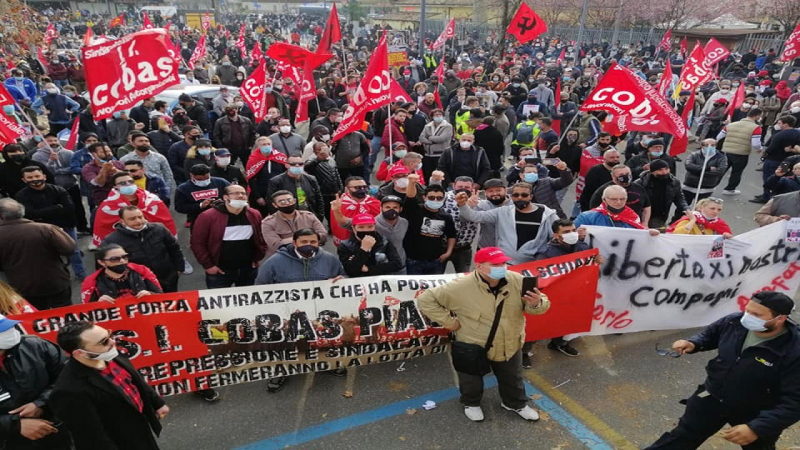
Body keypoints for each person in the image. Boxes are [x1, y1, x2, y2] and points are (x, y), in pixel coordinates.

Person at [645, 292, 800, 450]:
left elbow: (795, 402)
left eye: (756, 314)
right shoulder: (734, 322)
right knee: (682, 437)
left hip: (755, 413)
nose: (747, 316)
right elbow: (710, 334)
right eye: (747, 310)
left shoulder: (794, 351)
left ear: (780, 318)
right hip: (711, 397)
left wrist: (758, 427)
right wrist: (693, 343)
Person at [418, 246, 550, 422]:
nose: (502, 267)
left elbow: (539, 306)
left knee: (513, 377)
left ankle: (515, 403)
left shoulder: (517, 280)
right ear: (479, 266)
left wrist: (536, 303)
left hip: (509, 341)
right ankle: (471, 403)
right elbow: (425, 300)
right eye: (495, 264)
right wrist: (450, 322)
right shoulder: (460, 286)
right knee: (471, 379)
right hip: (473, 343)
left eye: (503, 262)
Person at [51, 321, 170, 450]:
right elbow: (91, 437)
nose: (112, 342)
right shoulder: (69, 390)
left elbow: (135, 379)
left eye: (109, 335)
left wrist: (157, 403)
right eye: (103, 341)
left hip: (140, 428)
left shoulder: (109, 353)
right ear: (80, 353)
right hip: (118, 441)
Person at [0, 314, 71, 450]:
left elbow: (67, 377)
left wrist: (41, 403)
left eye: (9, 327)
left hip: (53, 433)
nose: (11, 332)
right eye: (2, 331)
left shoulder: (36, 345)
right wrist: (15, 425)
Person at [0, 199, 75, 310]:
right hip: (55, 282)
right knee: (65, 314)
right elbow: (69, 248)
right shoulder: (46, 229)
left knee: (37, 319)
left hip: (22, 287)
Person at [456, 182, 557, 264]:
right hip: (505, 263)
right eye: (516, 195)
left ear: (531, 196)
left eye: (524, 195)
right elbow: (474, 216)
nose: (520, 198)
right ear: (512, 196)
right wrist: (463, 205)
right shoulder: (503, 212)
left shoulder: (547, 213)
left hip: (533, 265)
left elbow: (558, 235)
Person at [16, 166, 87, 280]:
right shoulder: (21, 195)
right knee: (47, 255)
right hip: (41, 230)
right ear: (24, 180)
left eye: (37, 176)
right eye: (30, 177)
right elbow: (30, 214)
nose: (34, 179)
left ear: (43, 176)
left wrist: (42, 213)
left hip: (65, 226)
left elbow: (69, 209)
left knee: (73, 251)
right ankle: (56, 277)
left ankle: (81, 273)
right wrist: (57, 208)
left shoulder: (59, 190)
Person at [190, 185, 266, 288]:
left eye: (243, 193)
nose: (240, 196)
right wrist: (209, 266)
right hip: (219, 272)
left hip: (248, 269)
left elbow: (261, 237)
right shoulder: (207, 217)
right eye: (235, 193)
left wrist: (258, 257)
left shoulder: (254, 214)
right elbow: (197, 243)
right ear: (225, 197)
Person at [102, 206, 185, 293]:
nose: (138, 221)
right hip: (139, 284)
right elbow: (106, 266)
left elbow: (174, 248)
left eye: (140, 217)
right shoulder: (111, 240)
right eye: (132, 219)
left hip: (168, 278)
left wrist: (179, 268)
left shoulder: (159, 229)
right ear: (122, 221)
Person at [401, 180, 457, 274]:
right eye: (431, 197)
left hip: (435, 261)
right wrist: (411, 183)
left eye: (439, 198)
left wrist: (448, 252)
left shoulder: (446, 217)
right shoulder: (416, 210)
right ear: (424, 197)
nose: (435, 200)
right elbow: (410, 197)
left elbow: (451, 235)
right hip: (414, 261)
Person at [256, 228, 345, 284]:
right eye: (304, 242)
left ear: (318, 243)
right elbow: (260, 285)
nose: (308, 244)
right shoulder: (274, 262)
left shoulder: (330, 260)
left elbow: (344, 276)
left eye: (313, 242)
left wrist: (343, 279)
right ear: (294, 243)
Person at [80, 243, 162, 303]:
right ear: (101, 262)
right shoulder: (91, 282)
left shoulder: (142, 271)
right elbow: (86, 311)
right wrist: (98, 304)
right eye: (115, 259)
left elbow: (161, 295)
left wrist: (150, 294)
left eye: (124, 257)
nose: (122, 261)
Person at [261, 190, 328, 258]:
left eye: (289, 200)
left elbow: (323, 236)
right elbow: (276, 245)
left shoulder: (308, 216)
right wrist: (309, 238)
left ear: (294, 200)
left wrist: (288, 240)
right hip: (284, 257)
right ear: (275, 205)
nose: (287, 203)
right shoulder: (268, 222)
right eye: (282, 202)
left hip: (311, 255)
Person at [752, 116, 800, 204]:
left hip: (774, 160)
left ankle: (766, 195)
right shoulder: (797, 133)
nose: (777, 125)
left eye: (779, 123)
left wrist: (765, 154)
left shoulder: (780, 135)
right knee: (782, 177)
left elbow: (771, 148)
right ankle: (772, 194)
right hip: (787, 162)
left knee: (769, 178)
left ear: (785, 125)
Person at [337, 214, 404, 277]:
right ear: (354, 228)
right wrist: (363, 250)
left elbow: (397, 264)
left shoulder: (384, 241)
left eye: (370, 226)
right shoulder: (345, 246)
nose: (366, 230)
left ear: (374, 227)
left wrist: (368, 269)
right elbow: (350, 271)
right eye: (361, 227)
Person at [576, 185, 659, 232]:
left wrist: (648, 235)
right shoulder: (586, 217)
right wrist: (578, 235)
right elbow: (568, 237)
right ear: (604, 200)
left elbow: (639, 239)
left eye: (622, 199)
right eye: (614, 199)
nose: (618, 202)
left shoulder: (633, 217)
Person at [266, 155, 325, 222]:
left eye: (300, 164)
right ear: (286, 165)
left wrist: (319, 217)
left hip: (310, 217)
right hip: (288, 219)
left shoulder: (311, 179)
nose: (297, 166)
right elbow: (271, 202)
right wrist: (280, 220)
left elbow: (319, 200)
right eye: (293, 164)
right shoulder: (276, 181)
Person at [634, 160, 690, 228]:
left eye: (666, 169)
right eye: (660, 170)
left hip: (659, 216)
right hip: (641, 214)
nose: (664, 172)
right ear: (652, 171)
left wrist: (686, 208)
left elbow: (679, 198)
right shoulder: (640, 183)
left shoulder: (674, 182)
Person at [719, 108, 763, 195]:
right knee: (736, 172)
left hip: (727, 151)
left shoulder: (731, 124)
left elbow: (719, 137)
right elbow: (755, 143)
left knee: (721, 170)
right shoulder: (756, 128)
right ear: (757, 116)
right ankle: (729, 189)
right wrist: (759, 149)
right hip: (741, 153)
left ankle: (711, 185)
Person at [246, 136, 288, 216]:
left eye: (268, 144)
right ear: (258, 147)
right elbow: (251, 179)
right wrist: (258, 197)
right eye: (263, 144)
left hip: (279, 190)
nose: (266, 146)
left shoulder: (280, 157)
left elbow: (286, 173)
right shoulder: (253, 159)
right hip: (261, 192)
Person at [304, 142, 343, 224]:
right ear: (315, 151)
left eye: (324, 149)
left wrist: (340, 188)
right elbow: (307, 168)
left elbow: (337, 174)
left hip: (334, 192)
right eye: (319, 150)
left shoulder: (331, 160)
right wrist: (318, 159)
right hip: (322, 192)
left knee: (335, 211)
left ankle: (333, 228)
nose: (323, 151)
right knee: (323, 212)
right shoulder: (312, 160)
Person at [682, 139, 728, 203]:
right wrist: (707, 169)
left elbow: (720, 170)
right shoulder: (694, 155)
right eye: (707, 145)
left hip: (707, 188)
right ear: (702, 146)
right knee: (683, 208)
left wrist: (699, 173)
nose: (710, 147)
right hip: (689, 186)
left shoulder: (721, 157)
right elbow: (689, 166)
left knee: (701, 209)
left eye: (712, 145)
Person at [81, 142, 125, 207]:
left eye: (109, 151)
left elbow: (130, 177)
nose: (109, 154)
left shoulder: (118, 163)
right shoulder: (88, 168)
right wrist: (103, 171)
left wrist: (116, 171)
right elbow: (98, 183)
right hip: (104, 200)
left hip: (123, 197)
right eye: (104, 152)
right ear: (94, 154)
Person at [667, 198, 733, 237]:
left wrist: (726, 235)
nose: (716, 212)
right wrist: (692, 220)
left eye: (719, 209)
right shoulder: (688, 220)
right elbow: (677, 235)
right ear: (701, 208)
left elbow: (727, 239)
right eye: (712, 208)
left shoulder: (720, 223)